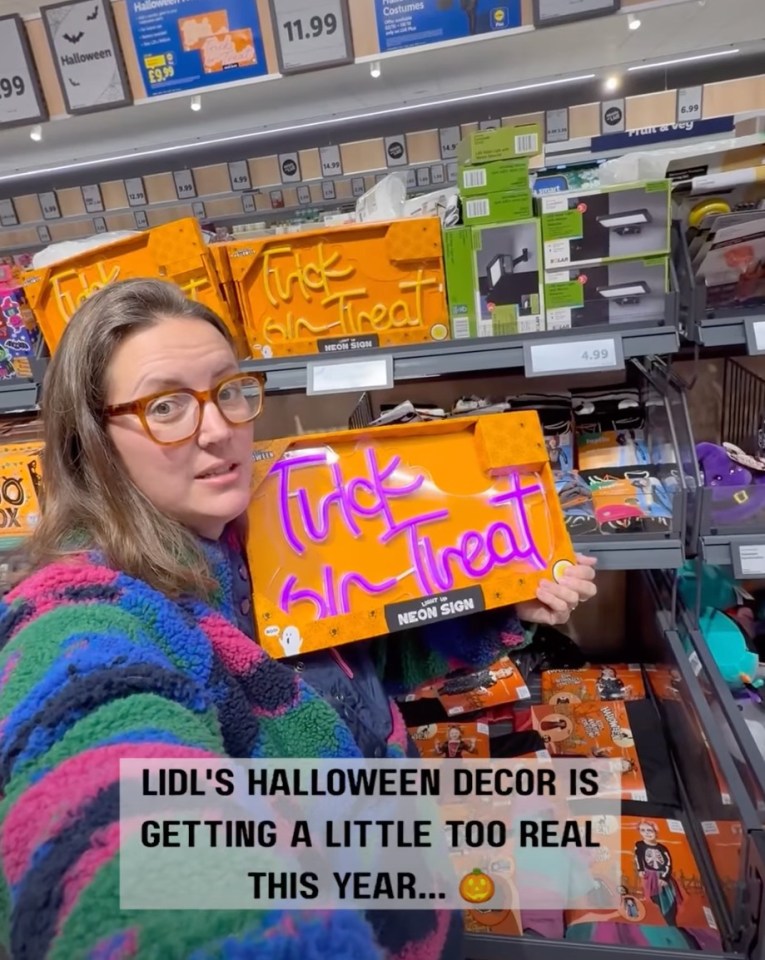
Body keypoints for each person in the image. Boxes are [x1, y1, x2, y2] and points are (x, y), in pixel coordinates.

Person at [0, 279, 597, 959]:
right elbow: (108, 820)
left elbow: (350, 674)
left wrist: (495, 605)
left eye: (228, 390)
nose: (220, 427)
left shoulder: (254, 537)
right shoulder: (79, 615)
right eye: (166, 406)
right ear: (92, 439)